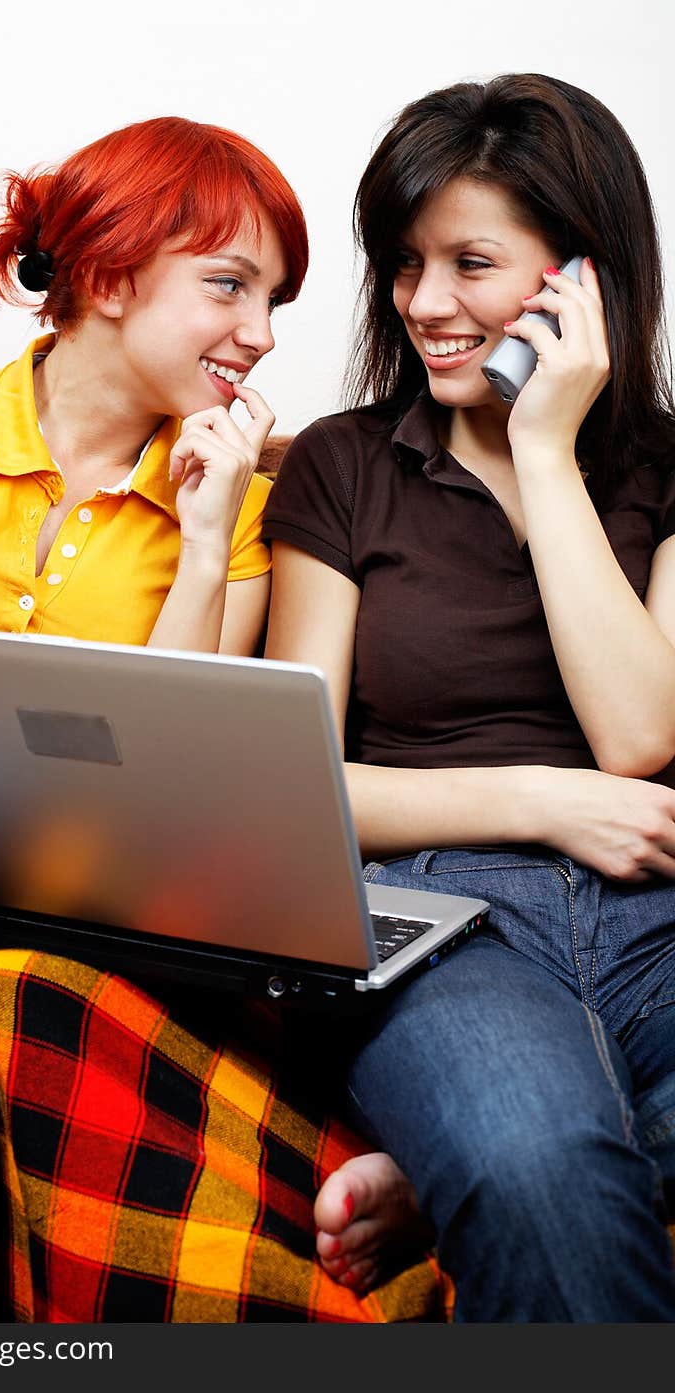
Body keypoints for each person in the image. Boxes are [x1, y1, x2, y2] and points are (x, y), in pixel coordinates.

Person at [0, 114, 308, 1321]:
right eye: (230, 285)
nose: (264, 333)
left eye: (276, 297)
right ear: (112, 271)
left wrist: (196, 542)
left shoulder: (233, 508)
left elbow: (172, 789)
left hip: (8, 882)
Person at [262, 73, 675, 1321]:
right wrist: (541, 803)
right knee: (534, 1163)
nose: (424, 304)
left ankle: (437, 1180)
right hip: (437, 916)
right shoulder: (344, 465)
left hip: (654, 906)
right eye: (403, 263)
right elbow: (289, 786)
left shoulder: (662, 465)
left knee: (534, 1154)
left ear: (578, 279)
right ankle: (480, 1164)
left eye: (470, 264)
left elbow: (639, 730)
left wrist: (543, 447)